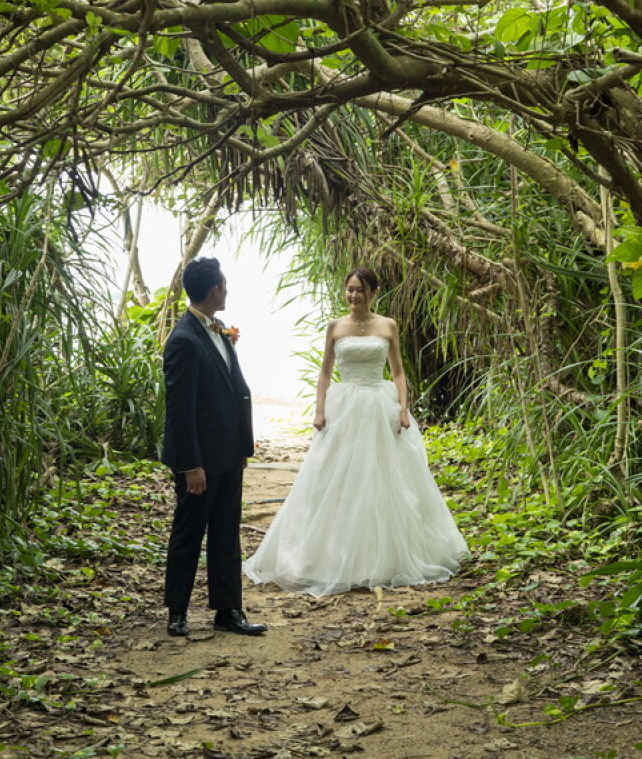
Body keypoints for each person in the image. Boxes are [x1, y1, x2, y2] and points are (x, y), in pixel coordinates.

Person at [243, 267, 469, 596]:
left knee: (381, 477)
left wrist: (403, 408)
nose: (353, 296)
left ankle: (382, 558)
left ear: (373, 293)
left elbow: (399, 372)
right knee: (335, 477)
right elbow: (324, 373)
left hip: (379, 405)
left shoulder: (387, 325)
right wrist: (320, 410)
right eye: (349, 289)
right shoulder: (335, 326)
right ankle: (331, 555)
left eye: (360, 290)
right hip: (344, 404)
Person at [162, 256, 267, 637]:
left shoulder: (218, 330)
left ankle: (228, 610)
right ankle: (177, 611)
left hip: (227, 454)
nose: (227, 289)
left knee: (226, 532)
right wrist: (191, 465)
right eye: (224, 284)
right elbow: (179, 409)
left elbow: (233, 390)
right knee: (189, 534)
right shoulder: (184, 339)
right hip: (199, 462)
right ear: (214, 290)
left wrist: (242, 446)